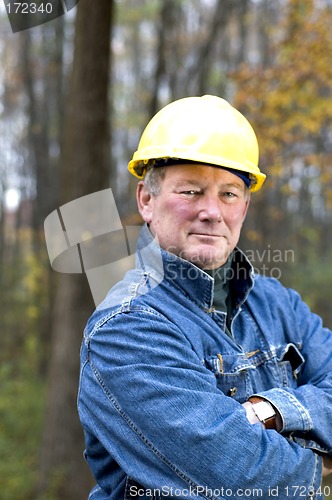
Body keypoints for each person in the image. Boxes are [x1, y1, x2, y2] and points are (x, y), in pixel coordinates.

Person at [78, 95, 332, 499]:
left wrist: (275, 410)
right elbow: (236, 476)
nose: (212, 211)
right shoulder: (125, 328)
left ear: (244, 207)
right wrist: (322, 467)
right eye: (192, 191)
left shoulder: (279, 304)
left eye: (229, 193)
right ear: (146, 200)